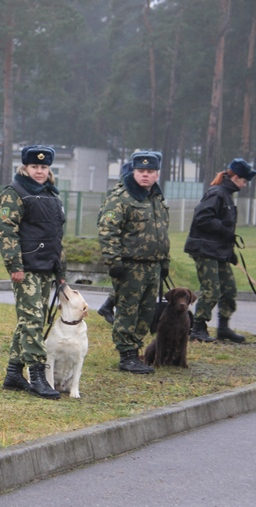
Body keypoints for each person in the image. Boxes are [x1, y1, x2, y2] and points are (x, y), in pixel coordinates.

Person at [0, 145, 65, 400]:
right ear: (24, 167)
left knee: (29, 320)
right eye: (35, 166)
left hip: (47, 267)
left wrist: (60, 271)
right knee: (33, 320)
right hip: (25, 269)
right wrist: (14, 266)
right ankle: (38, 377)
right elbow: (7, 232)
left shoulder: (52, 196)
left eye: (44, 167)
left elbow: (58, 237)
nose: (40, 171)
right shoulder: (14, 193)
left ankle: (14, 373)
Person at [98, 151, 170, 374]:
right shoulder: (120, 197)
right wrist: (113, 261)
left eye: (150, 172)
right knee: (128, 311)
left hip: (153, 265)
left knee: (147, 312)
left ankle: (136, 351)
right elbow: (107, 230)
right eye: (141, 171)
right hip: (130, 266)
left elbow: (162, 233)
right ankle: (126, 355)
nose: (145, 176)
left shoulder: (156, 198)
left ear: (157, 174)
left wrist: (165, 262)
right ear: (134, 171)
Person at [184, 158, 256, 343]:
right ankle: (197, 329)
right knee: (211, 290)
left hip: (218, 251)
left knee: (229, 289)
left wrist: (229, 250)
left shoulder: (227, 195)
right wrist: (225, 232)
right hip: (204, 249)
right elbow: (202, 218)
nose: (245, 184)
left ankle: (223, 328)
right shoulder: (217, 193)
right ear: (236, 178)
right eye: (244, 180)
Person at [97, 160, 135, 325]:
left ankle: (108, 307)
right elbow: (107, 226)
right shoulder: (118, 195)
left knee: (128, 285)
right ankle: (118, 317)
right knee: (125, 286)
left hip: (131, 249)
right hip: (120, 248)